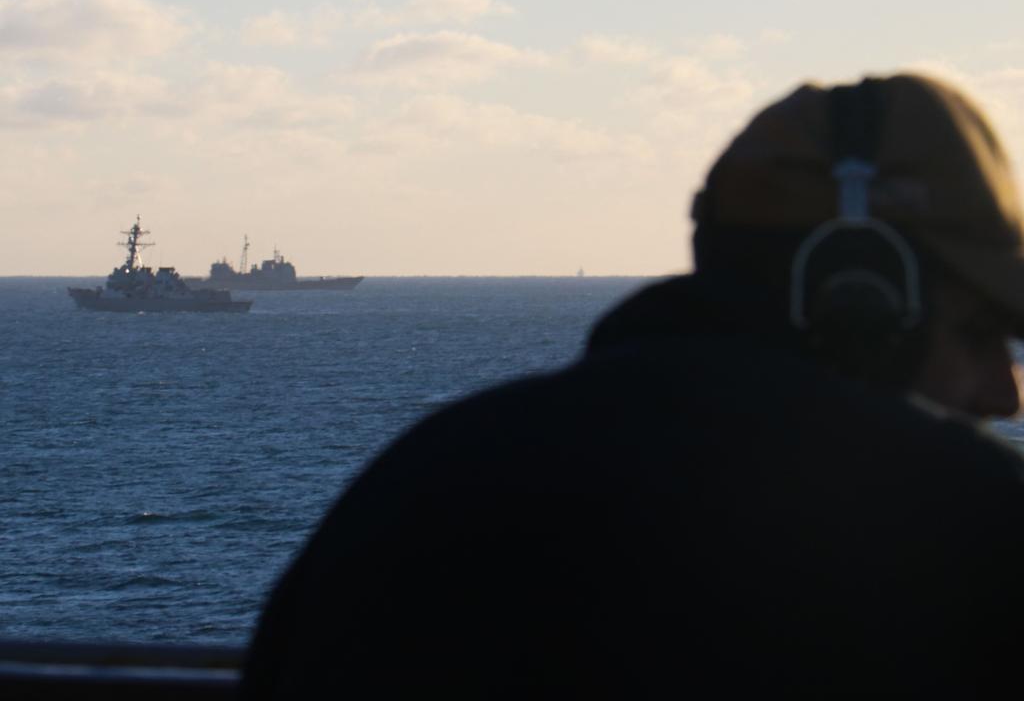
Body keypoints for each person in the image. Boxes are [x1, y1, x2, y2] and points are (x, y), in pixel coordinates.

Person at [240, 74, 1024, 698]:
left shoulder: (412, 488)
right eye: (984, 333)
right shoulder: (973, 527)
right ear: (860, 293)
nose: (1006, 393)